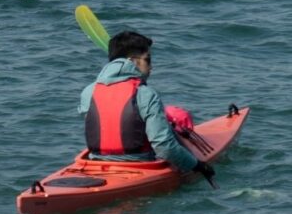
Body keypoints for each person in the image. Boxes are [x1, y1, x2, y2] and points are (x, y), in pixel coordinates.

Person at [79, 29, 211, 179]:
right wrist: (197, 166)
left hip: (96, 165)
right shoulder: (146, 94)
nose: (151, 68)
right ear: (133, 62)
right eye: (148, 60)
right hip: (140, 167)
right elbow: (164, 148)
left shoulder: (88, 92)